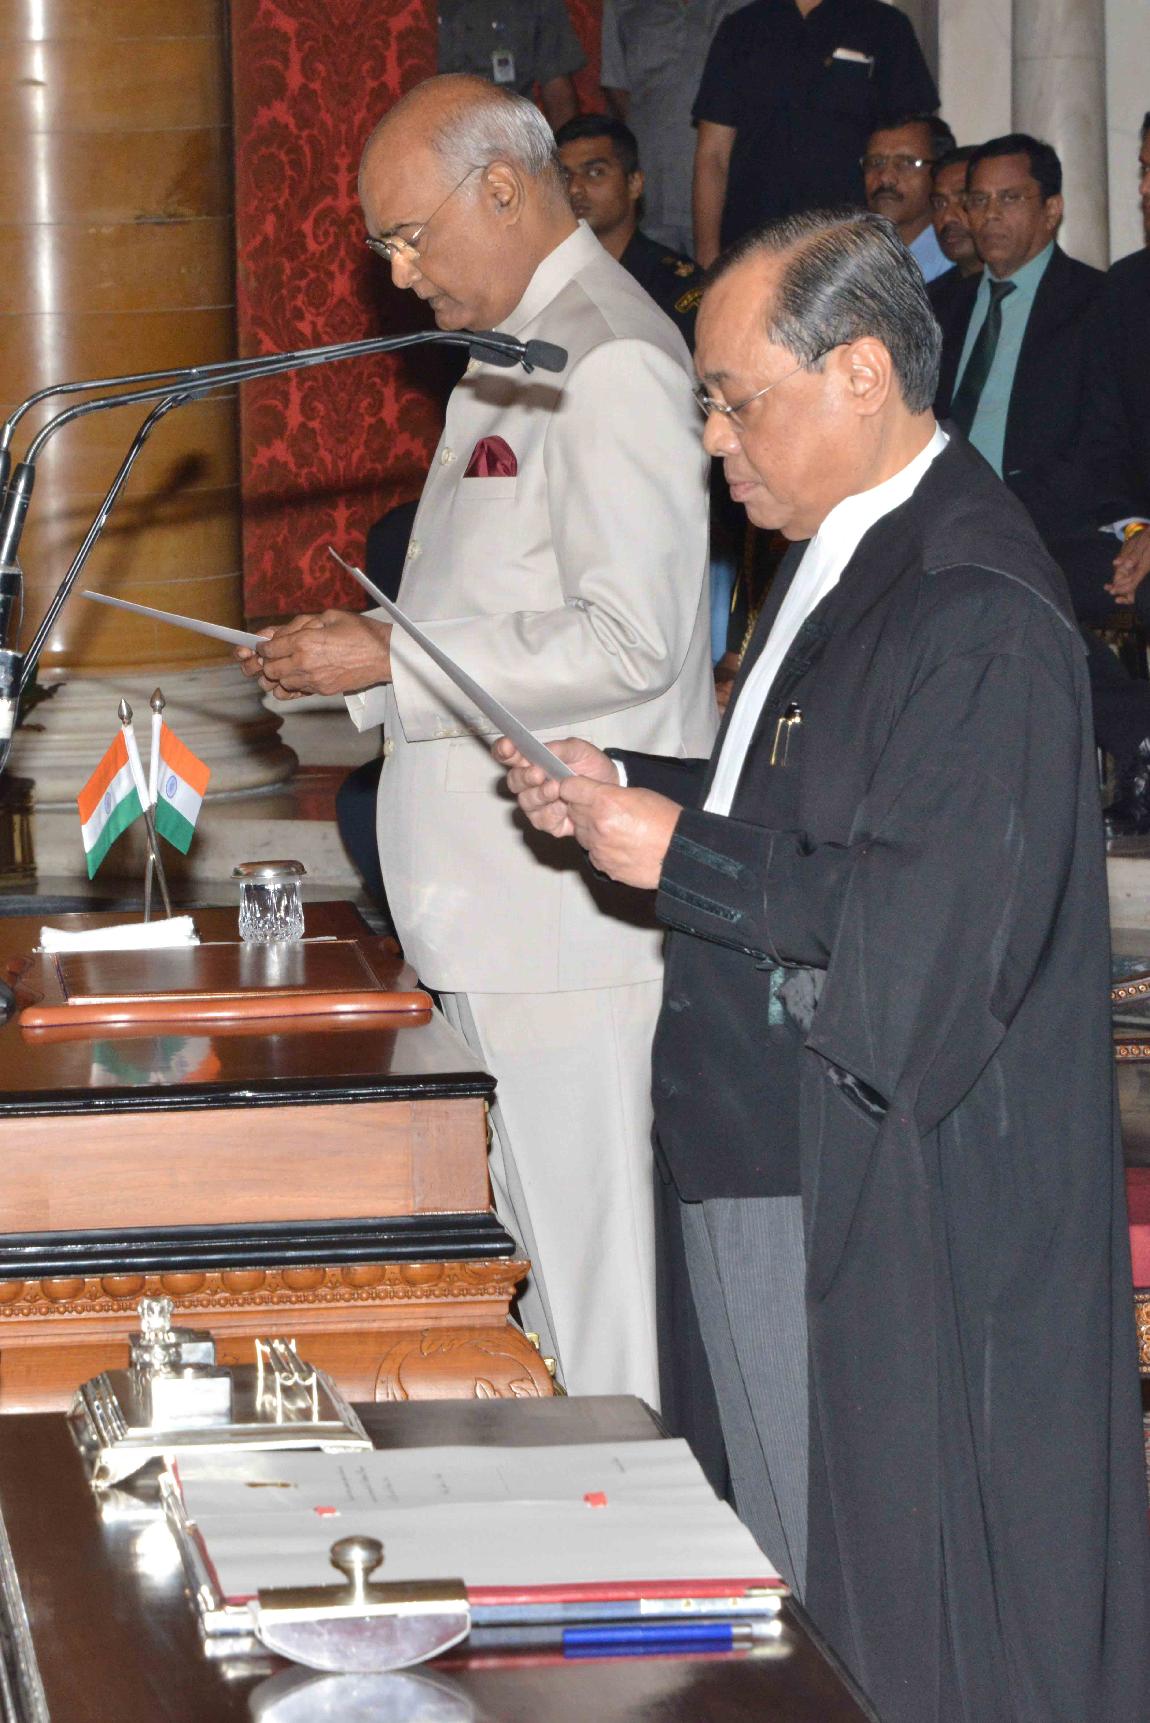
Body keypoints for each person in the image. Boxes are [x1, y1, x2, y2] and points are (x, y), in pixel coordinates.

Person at [495, 208, 1150, 1723]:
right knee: (780, 1606)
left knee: (865, 1640)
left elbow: (926, 937)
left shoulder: (972, 600)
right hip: (763, 1157)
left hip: (874, 1202)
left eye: (735, 400)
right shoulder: (848, 550)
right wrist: (630, 785)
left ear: (859, 373)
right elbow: (809, 806)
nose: (713, 439)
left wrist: (681, 853)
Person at [238, 75, 717, 1405]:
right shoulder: (515, 345)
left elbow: (631, 639)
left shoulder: (608, 357)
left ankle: (633, 1528)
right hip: (491, 921)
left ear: (500, 189)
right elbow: (493, 613)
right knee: (530, 1297)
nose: (398, 274)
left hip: (564, 930)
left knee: (595, 1299)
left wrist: (394, 656)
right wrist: (371, 655)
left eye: (407, 236)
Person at [1054, 112, 1150, 833]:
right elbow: (1105, 436)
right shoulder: (1127, 288)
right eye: (1144, 170)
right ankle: (1139, 738)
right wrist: (1138, 528)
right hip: (1135, 532)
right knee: (1024, 581)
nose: (1145, 190)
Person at [691, 0, 938, 266]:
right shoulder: (742, 29)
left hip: (850, 244)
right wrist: (707, 256)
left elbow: (914, 143)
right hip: (753, 240)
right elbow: (713, 155)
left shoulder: (884, 25)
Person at [599, 0, 747, 255]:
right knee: (647, 275)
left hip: (726, 188)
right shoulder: (622, 5)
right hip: (649, 186)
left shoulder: (750, 6)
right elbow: (616, 86)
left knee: (721, 273)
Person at [554, 113, 703, 346]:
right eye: (564, 176)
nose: (574, 188)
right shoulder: (546, 277)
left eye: (595, 173)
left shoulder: (671, 284)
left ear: (634, 184)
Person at [437, 0, 583, 129]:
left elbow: (558, 94)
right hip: (434, 131)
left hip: (512, 134)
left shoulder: (532, 4)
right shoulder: (425, 9)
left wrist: (564, 148)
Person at [862, 112, 954, 282]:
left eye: (906, 163)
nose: (885, 178)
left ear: (941, 172)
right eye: (875, 162)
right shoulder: (853, 258)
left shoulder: (954, 262)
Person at [925, 143, 982, 320]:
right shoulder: (928, 303)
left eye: (963, 200)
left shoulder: (1023, 292)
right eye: (939, 204)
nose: (947, 217)